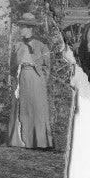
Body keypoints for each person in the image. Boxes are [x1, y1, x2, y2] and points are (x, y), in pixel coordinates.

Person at [7, 13, 53, 149]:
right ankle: (23, 141)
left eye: (23, 27)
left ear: (30, 28)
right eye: (20, 26)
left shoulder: (41, 46)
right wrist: (14, 77)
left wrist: (40, 76)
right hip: (22, 78)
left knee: (37, 108)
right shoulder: (17, 45)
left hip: (37, 78)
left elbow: (47, 66)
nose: (21, 29)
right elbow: (12, 66)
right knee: (23, 107)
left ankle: (40, 142)